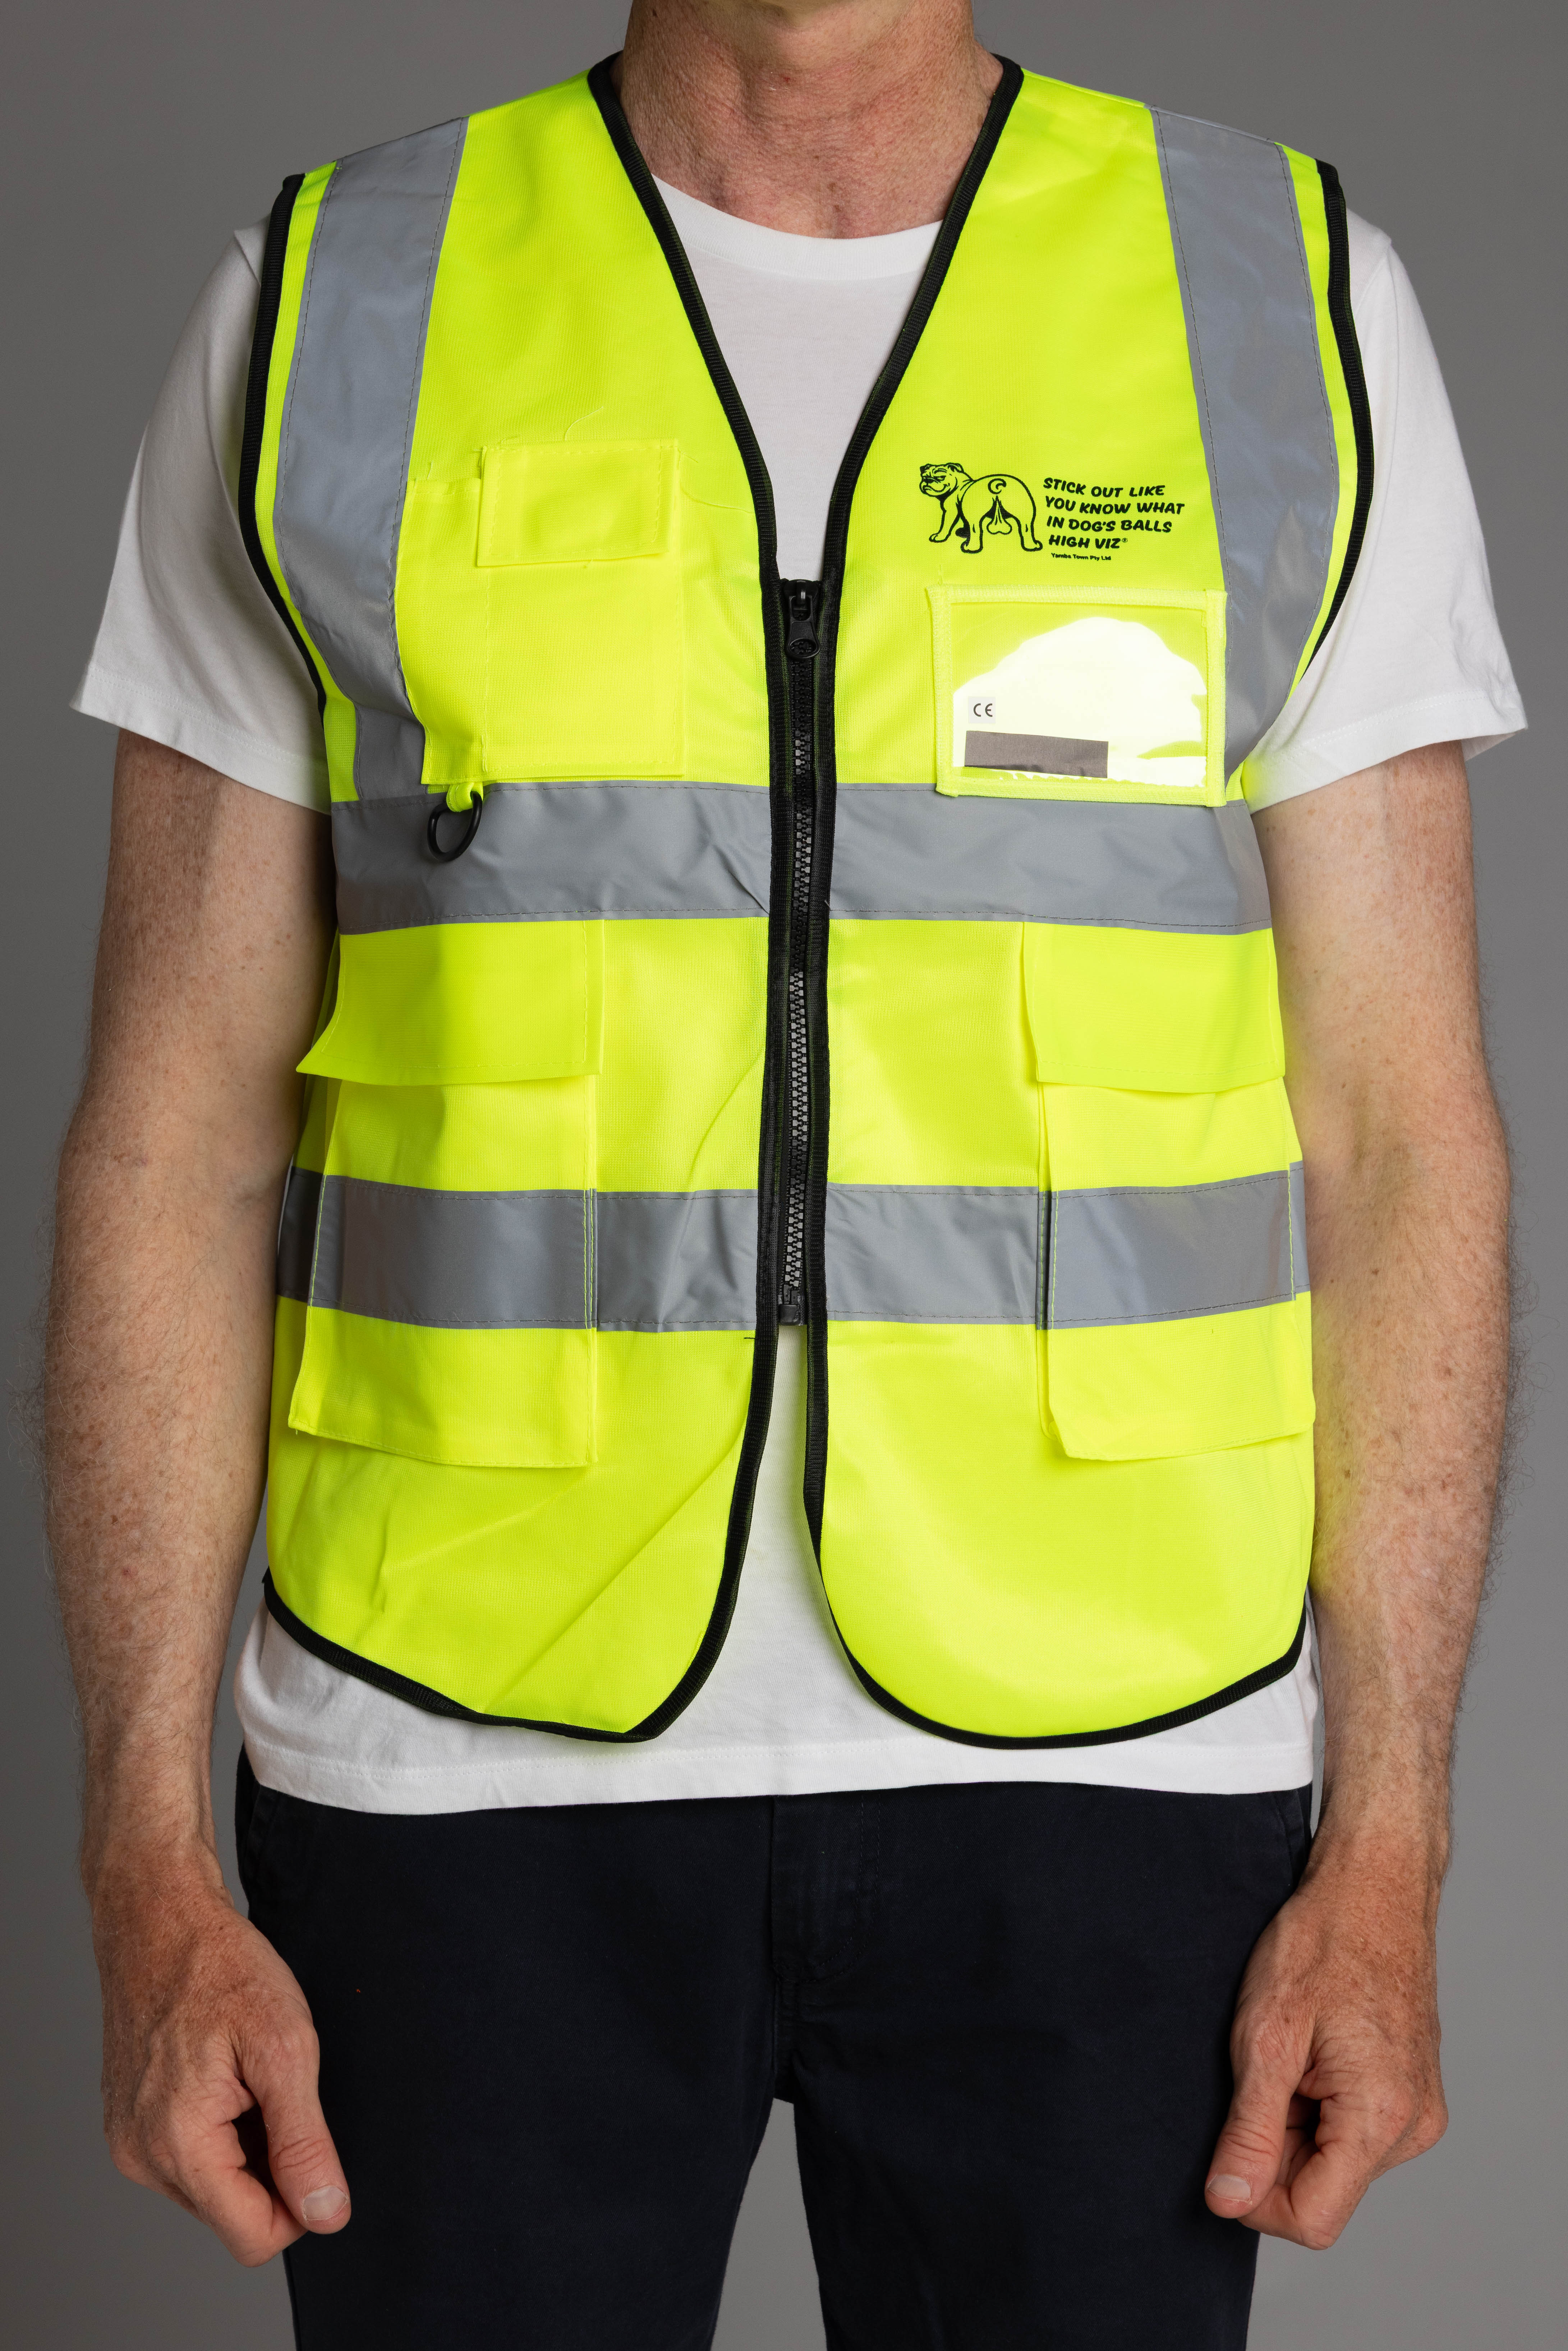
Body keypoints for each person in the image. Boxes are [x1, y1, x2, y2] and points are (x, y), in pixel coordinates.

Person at [47, 2, 1522, 2344]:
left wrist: (1398, 1839)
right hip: (454, 1751)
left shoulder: (1278, 288)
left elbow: (1402, 1132)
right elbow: (172, 1138)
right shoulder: (338, 294)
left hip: (1122, 1757)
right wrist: (140, 1860)